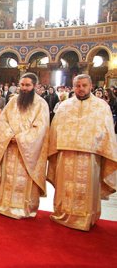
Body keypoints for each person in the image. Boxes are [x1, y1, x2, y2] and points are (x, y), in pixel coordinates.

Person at [47, 74, 117, 231]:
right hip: (66, 155)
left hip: (90, 156)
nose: (81, 89)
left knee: (86, 188)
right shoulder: (64, 106)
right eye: (77, 86)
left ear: (90, 86)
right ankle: (62, 213)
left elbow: (107, 132)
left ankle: (86, 218)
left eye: (84, 85)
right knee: (66, 187)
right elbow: (55, 130)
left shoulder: (101, 106)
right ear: (73, 87)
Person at [0, 73, 50, 219]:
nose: (24, 88)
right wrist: (9, 136)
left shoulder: (41, 104)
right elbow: (3, 121)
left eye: (28, 85)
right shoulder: (12, 102)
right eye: (22, 85)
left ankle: (25, 208)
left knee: (24, 180)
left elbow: (41, 128)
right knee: (8, 177)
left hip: (28, 152)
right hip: (10, 148)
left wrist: (20, 138)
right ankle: (5, 205)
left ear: (35, 86)